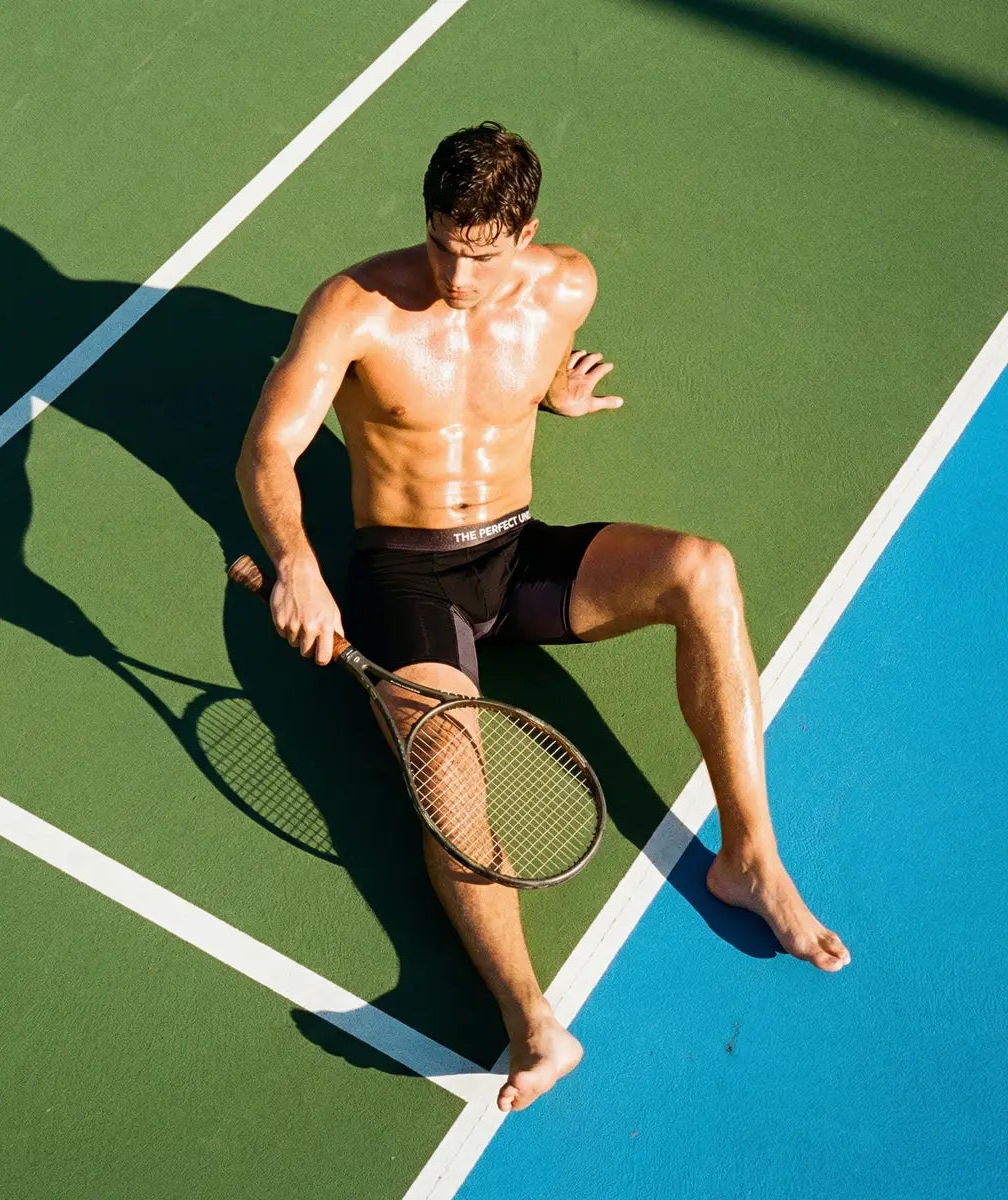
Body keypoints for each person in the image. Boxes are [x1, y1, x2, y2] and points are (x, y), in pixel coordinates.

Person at [236, 121, 849, 1114]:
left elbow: (497, 380)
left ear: (525, 235)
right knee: (447, 764)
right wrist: (299, 563)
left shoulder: (566, 287)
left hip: (518, 551)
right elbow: (267, 449)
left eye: (479, 254)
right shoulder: (355, 308)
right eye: (440, 243)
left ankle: (749, 859)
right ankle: (532, 1019)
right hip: (408, 575)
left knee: (705, 570)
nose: (457, 274)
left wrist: (541, 394)